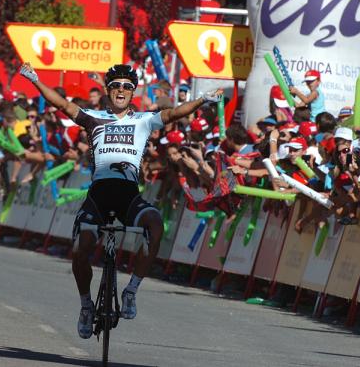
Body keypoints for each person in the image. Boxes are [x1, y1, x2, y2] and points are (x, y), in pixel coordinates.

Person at [19, 62, 222, 339]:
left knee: (155, 225)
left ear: (133, 91)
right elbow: (63, 105)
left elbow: (174, 113)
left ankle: (131, 291)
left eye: (127, 86)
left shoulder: (143, 120)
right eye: (116, 85)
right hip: (99, 196)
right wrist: (35, 80)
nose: (121, 90)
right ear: (108, 90)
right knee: (81, 250)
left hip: (128, 196)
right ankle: (86, 306)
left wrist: (202, 99)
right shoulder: (93, 117)